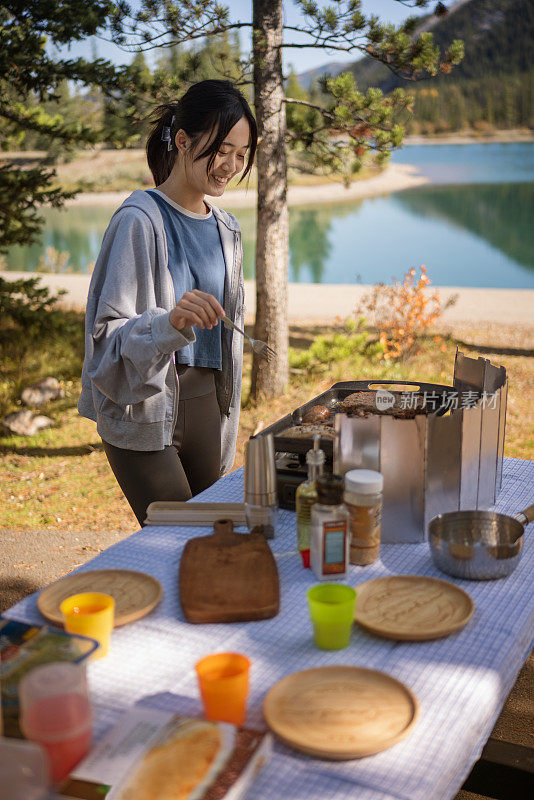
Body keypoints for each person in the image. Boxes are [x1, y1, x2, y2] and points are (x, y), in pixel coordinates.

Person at [78, 80, 257, 526]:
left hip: (207, 406)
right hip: (145, 407)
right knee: (180, 539)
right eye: (222, 150)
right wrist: (169, 323)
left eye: (241, 153)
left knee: (218, 538)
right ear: (182, 140)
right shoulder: (138, 220)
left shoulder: (228, 230)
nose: (231, 165)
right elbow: (103, 340)